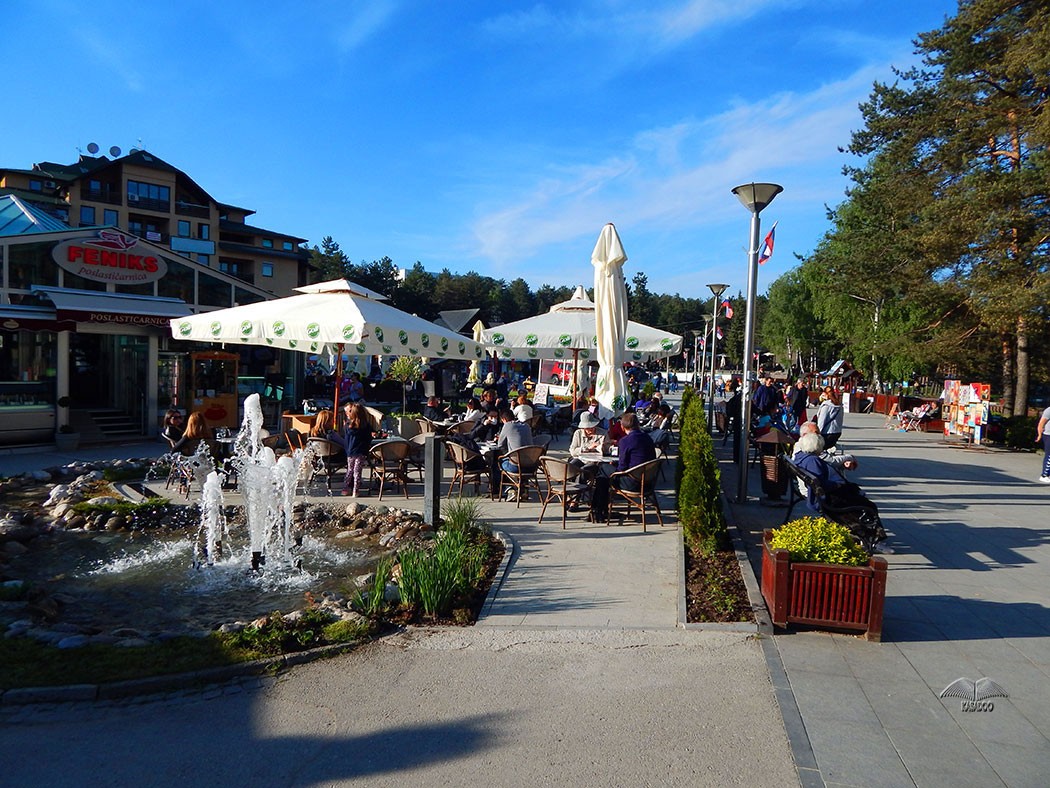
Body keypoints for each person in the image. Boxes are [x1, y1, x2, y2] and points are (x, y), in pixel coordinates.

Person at [614, 412, 657, 491]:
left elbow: (622, 466)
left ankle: (600, 498)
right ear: (638, 425)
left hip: (632, 483)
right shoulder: (648, 437)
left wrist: (614, 472)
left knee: (604, 469)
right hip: (649, 482)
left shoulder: (625, 441)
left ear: (622, 427)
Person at [340, 402, 374, 497]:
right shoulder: (365, 426)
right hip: (361, 451)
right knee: (357, 471)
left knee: (350, 470)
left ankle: (345, 488)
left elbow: (346, 437)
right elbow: (369, 437)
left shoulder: (348, 425)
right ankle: (356, 490)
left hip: (350, 451)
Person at [496, 409, 533, 474]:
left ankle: (500, 480)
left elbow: (500, 445)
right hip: (531, 465)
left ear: (504, 419)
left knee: (498, 461)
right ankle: (521, 479)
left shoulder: (508, 425)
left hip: (516, 466)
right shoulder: (526, 425)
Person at [1037, 406, 1050, 483]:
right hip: (1048, 435)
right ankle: (1044, 475)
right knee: (1049, 455)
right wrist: (1039, 435)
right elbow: (1041, 423)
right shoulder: (1049, 410)